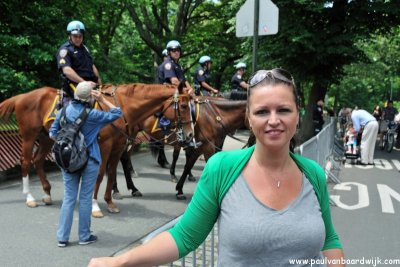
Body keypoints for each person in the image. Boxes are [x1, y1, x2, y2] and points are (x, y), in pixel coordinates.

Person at [88, 68, 344, 267]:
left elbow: (329, 238)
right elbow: (185, 236)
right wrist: (120, 261)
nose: (274, 120)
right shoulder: (222, 168)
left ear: (297, 115)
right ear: (249, 119)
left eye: (284, 110)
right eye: (262, 112)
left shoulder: (313, 173)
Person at [49, 81, 123, 248]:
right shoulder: (94, 115)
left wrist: (69, 142)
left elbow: (52, 133)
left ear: (75, 96)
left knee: (69, 198)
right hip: (90, 160)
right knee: (85, 199)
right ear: (90, 97)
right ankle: (84, 236)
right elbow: (118, 113)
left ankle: (62, 237)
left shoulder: (63, 111)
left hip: (68, 160)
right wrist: (103, 99)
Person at [56, 20, 101, 105]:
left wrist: (100, 82)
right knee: (89, 102)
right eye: (75, 36)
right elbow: (67, 70)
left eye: (80, 36)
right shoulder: (65, 50)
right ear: (69, 36)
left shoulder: (85, 49)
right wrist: (84, 83)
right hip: (74, 84)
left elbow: (92, 66)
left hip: (90, 83)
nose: (78, 39)